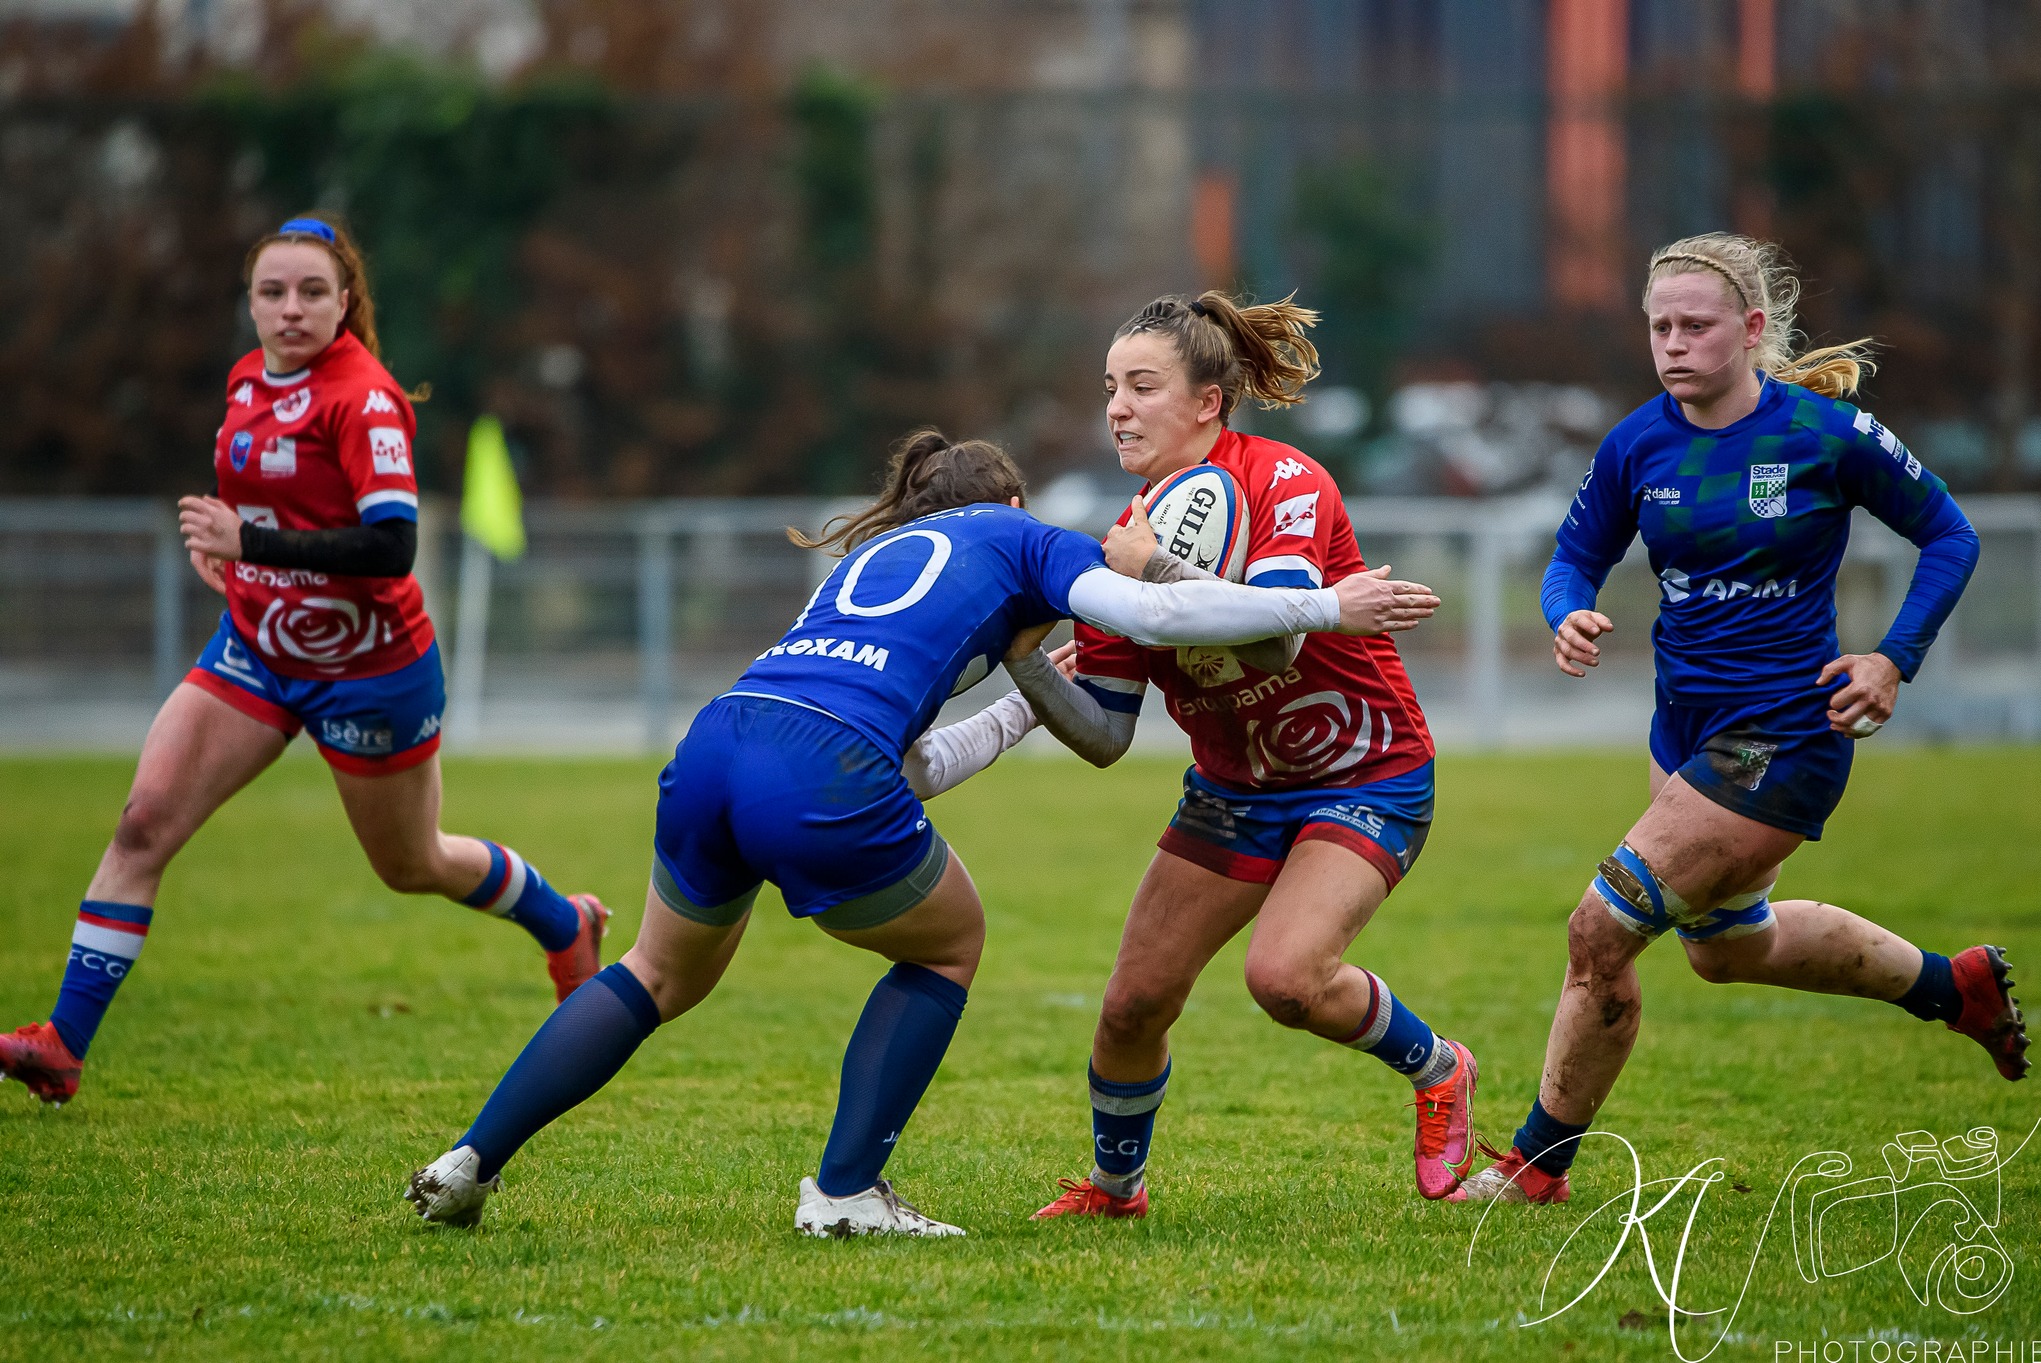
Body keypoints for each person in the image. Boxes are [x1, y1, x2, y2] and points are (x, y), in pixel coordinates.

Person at [404, 428, 1431, 1236]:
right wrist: (1329, 607)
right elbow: (1154, 614)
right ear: (1013, 504)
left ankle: (466, 1161)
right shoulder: (1018, 540)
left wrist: (1022, 704)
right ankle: (845, 1189)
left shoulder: (889, 557)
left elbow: (910, 762)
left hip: (719, 742)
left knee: (654, 975)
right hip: (817, 769)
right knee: (950, 940)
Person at [1455, 232, 2027, 1208]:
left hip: (1786, 731)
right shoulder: (1637, 441)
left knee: (1599, 927)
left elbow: (1947, 533)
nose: (1672, 344)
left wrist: (1891, 658)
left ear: (1751, 330)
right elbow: (1570, 556)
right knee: (1724, 948)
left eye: (1693, 325)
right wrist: (1565, 612)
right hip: (1681, 726)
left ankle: (1533, 1165)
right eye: (1657, 326)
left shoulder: (1823, 435)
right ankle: (1952, 985)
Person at [0, 216, 608, 1109]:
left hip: (369, 669)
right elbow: (265, 502)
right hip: (256, 646)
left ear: (345, 301)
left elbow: (391, 546)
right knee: (142, 825)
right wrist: (229, 549)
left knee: (411, 864)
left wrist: (251, 536)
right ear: (249, 304)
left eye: (312, 292)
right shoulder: (248, 378)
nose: (291, 309)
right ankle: (62, 1043)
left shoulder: (363, 399)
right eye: (273, 292)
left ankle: (566, 921)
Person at [1001, 291, 1476, 1218]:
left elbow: (1276, 644)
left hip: (1364, 774)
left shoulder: (1286, 482)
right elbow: (1103, 732)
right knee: (1132, 1004)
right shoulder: (1120, 540)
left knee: (1285, 979)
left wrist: (1152, 577)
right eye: (1110, 388)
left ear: (1209, 401)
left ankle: (1440, 1066)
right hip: (1233, 792)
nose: (1118, 408)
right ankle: (1116, 1188)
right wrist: (1023, 661)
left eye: (1143, 385)